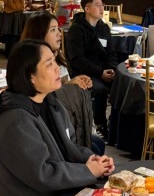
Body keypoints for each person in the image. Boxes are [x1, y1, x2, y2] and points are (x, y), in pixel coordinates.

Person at [0, 39, 115, 196]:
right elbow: (43, 174)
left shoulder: (49, 102)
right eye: (49, 64)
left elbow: (69, 145)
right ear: (30, 76)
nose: (57, 68)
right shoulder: (15, 120)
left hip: (60, 193)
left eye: (55, 61)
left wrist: (92, 160)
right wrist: (87, 171)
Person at [20, 11, 105, 155]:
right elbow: (42, 96)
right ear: (39, 33)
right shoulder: (31, 62)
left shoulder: (57, 55)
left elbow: (61, 87)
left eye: (58, 29)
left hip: (66, 118)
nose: (59, 34)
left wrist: (74, 83)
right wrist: (68, 86)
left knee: (98, 144)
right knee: (94, 148)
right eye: (53, 30)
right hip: (51, 125)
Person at [66, 0, 117, 139]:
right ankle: (100, 124)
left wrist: (111, 69)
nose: (102, 8)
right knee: (100, 90)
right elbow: (77, 59)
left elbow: (111, 52)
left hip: (103, 71)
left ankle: (115, 125)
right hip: (84, 72)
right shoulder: (77, 29)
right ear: (87, 9)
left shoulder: (104, 28)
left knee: (121, 85)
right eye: (98, 5)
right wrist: (100, 72)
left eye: (102, 5)